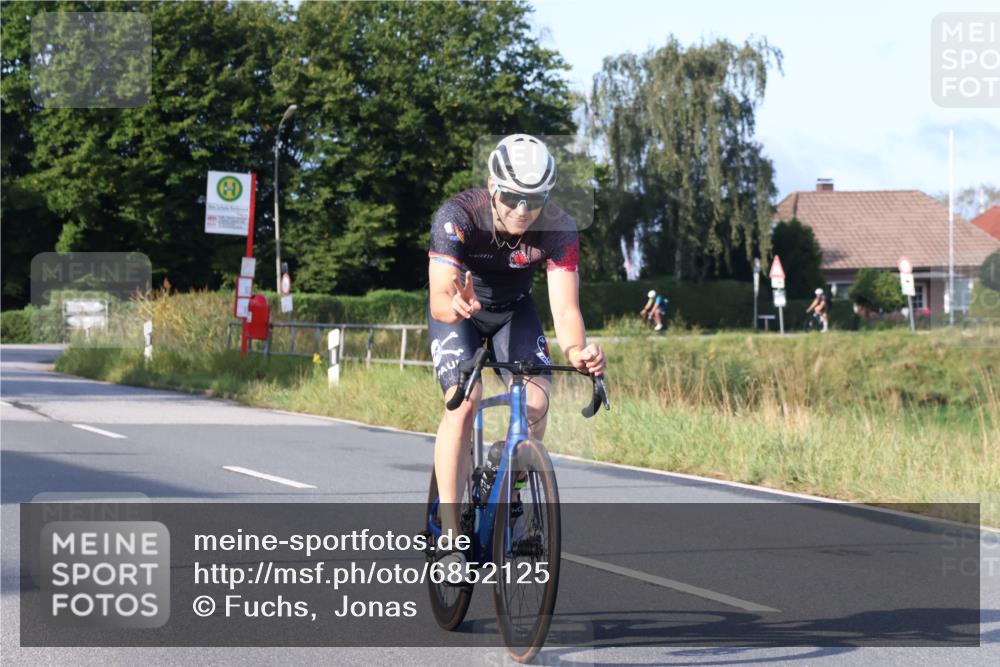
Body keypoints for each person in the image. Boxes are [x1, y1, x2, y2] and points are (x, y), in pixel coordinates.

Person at [427, 134, 606, 569]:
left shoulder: (559, 229)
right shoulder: (458, 215)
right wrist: (454, 305)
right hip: (460, 312)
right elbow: (438, 299)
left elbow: (565, 309)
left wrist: (579, 350)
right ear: (492, 185)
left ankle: (516, 484)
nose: (523, 210)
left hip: (514, 313)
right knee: (463, 404)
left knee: (537, 401)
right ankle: (452, 535)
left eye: (535, 198)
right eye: (512, 197)